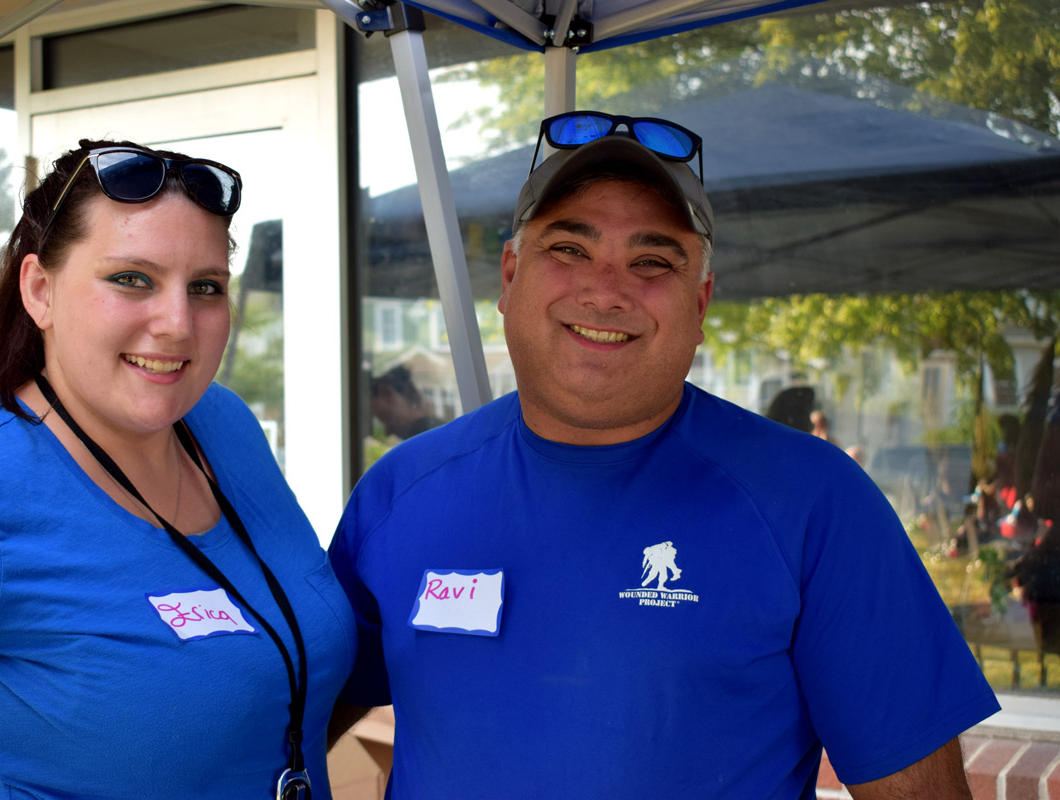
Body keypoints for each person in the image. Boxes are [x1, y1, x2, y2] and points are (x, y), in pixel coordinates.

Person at [327, 111, 999, 797]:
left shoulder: (813, 501)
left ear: (701, 299)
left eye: (652, 261)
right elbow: (273, 729)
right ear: (508, 275)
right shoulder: (398, 496)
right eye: (568, 249)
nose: (606, 290)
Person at [0, 140, 355, 799]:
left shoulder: (222, 423)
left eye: (205, 287)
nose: (178, 324)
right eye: (132, 279)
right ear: (40, 290)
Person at [370, 365, 442, 441]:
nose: (388, 432)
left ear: (388, 392)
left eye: (386, 419)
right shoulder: (438, 433)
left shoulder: (432, 438)